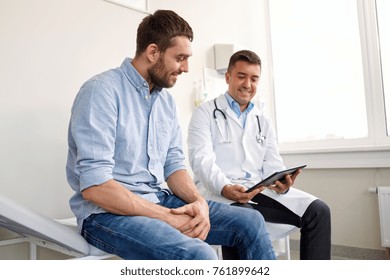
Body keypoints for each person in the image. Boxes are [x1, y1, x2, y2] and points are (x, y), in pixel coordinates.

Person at [66, 10, 275, 260]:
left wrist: (199, 202)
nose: (186, 68)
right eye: (180, 58)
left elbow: (173, 165)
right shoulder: (101, 92)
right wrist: (166, 218)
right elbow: (96, 188)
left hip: (158, 199)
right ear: (153, 52)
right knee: (200, 255)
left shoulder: (165, 103)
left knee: (250, 222)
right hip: (106, 215)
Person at [187, 50, 331, 260]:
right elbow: (201, 161)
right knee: (243, 219)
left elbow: (272, 163)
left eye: (254, 78)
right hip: (218, 192)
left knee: (318, 211)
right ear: (228, 77)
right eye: (241, 76)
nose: (248, 84)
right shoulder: (205, 113)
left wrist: (282, 183)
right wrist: (226, 188)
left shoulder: (263, 120)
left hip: (257, 190)